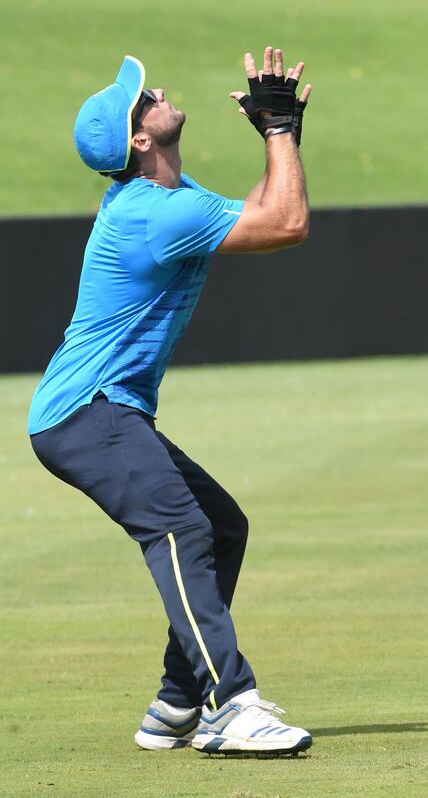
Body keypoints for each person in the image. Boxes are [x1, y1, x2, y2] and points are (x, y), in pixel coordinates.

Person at [28, 47, 315, 754]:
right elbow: (286, 225)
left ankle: (177, 704)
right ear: (140, 139)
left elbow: (261, 211)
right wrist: (277, 130)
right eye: (143, 97)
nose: (155, 89)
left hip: (97, 412)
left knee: (221, 527)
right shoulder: (156, 214)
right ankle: (228, 703)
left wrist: (284, 137)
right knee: (183, 531)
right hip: (87, 411)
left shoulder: (163, 204)